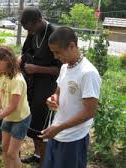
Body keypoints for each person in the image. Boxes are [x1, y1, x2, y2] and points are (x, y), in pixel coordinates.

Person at [40, 27, 101, 168]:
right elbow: (58, 91)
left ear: (72, 46)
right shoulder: (65, 67)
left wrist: (60, 127)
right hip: (57, 132)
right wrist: (53, 98)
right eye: (53, 52)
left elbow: (89, 112)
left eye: (58, 52)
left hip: (74, 138)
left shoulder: (88, 73)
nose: (55, 57)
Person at [19, 7, 62, 165]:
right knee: (31, 120)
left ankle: (46, 159)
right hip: (32, 82)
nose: (29, 32)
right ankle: (37, 155)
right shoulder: (33, 33)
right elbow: (25, 52)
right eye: (26, 29)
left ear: (38, 21)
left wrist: (37, 68)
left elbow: (59, 69)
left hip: (48, 85)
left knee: (42, 123)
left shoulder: (54, 34)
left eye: (30, 28)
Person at [0, 46, 31, 168]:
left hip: (20, 119)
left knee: (12, 153)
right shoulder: (0, 76)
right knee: (4, 148)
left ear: (8, 60)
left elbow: (13, 106)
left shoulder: (17, 80)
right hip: (8, 117)